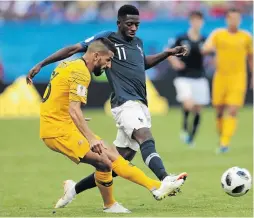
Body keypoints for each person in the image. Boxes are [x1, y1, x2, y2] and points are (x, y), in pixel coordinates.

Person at [26, 4, 188, 208]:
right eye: (129, 24)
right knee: (141, 137)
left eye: (137, 24)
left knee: (116, 160)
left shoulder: (137, 43)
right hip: (123, 103)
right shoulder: (102, 44)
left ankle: (74, 189)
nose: (134, 28)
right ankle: (163, 180)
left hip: (137, 103)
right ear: (119, 23)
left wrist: (168, 53)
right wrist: (42, 63)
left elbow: (141, 64)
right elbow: (74, 49)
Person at [202, 8, 253, 153]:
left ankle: (225, 142)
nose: (234, 21)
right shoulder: (218, 34)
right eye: (231, 18)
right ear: (227, 19)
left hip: (238, 77)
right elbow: (206, 47)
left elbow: (251, 57)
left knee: (232, 109)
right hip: (220, 78)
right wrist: (207, 49)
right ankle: (222, 136)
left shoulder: (246, 37)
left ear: (240, 20)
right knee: (219, 110)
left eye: (237, 18)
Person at [168, 11, 210, 146]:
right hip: (184, 77)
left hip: (200, 77)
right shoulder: (182, 38)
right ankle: (185, 128)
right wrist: (175, 62)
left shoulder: (205, 40)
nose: (197, 23)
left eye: (199, 20)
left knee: (198, 109)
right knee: (188, 104)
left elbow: (213, 55)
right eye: (194, 20)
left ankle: (191, 137)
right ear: (191, 21)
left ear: (202, 22)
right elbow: (169, 52)